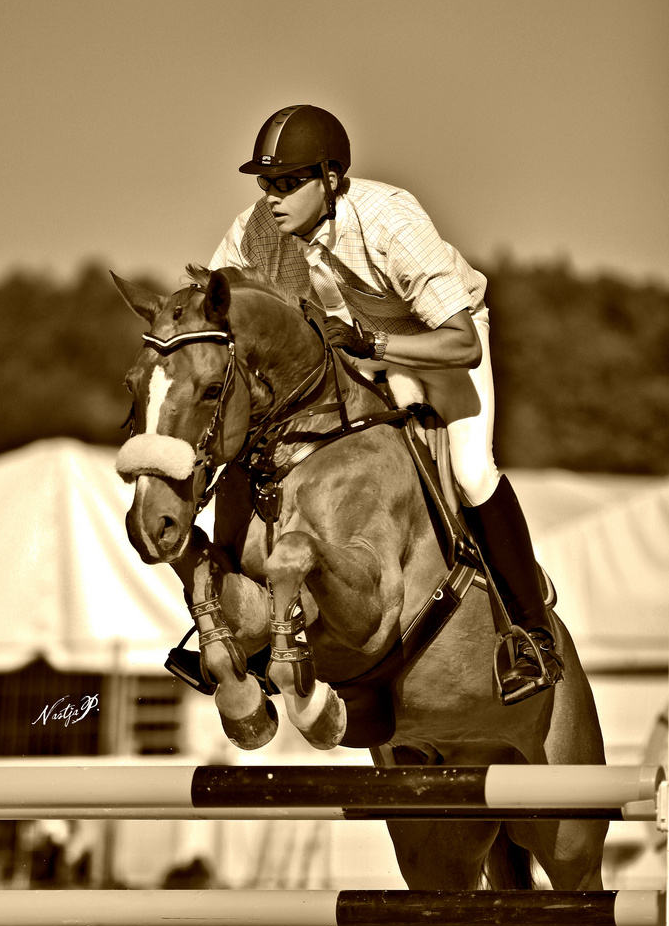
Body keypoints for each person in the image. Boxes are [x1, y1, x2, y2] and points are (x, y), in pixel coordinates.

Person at [208, 103, 562, 703]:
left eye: (289, 184)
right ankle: (236, 630)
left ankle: (530, 633)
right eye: (268, 183)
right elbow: (213, 310)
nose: (273, 198)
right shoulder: (254, 233)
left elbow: (463, 344)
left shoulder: (389, 220)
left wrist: (376, 344)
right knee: (255, 454)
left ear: (331, 180)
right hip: (352, 359)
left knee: (472, 472)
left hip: (434, 343)